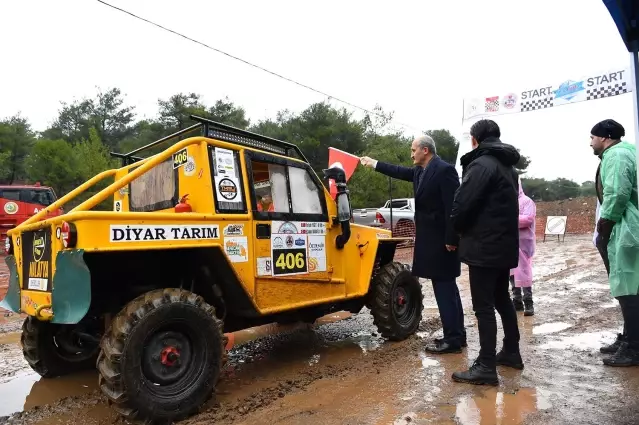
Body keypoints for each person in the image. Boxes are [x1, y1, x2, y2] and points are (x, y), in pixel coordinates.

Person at [360, 135, 466, 354]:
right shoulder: (420, 171)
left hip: (443, 242)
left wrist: (451, 239)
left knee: (445, 289)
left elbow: (453, 209)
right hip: (430, 240)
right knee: (446, 288)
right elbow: (398, 171)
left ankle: (453, 339)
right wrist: (374, 164)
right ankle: (457, 334)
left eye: (413, 150)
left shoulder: (445, 171)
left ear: (425, 150)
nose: (411, 154)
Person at [450, 119, 523, 386]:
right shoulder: (508, 166)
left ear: (474, 139)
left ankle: (486, 365)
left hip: (484, 245)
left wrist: (456, 227)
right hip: (503, 243)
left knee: (483, 306)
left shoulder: (481, 164)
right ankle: (512, 351)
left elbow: (464, 203)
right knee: (501, 297)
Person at [589, 119, 639, 366]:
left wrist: (605, 223)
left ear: (605, 137)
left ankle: (634, 347)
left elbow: (618, 193)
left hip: (626, 228)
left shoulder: (617, 155)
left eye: (593, 138)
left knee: (629, 286)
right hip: (623, 226)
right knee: (626, 286)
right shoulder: (621, 152)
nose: (590, 143)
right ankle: (630, 336)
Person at [510, 176, 537, 316]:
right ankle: (517, 302)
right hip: (509, 242)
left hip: (524, 244)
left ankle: (528, 303)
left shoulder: (527, 201)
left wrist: (509, 219)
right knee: (512, 273)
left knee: (524, 273)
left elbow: (527, 219)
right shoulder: (507, 201)